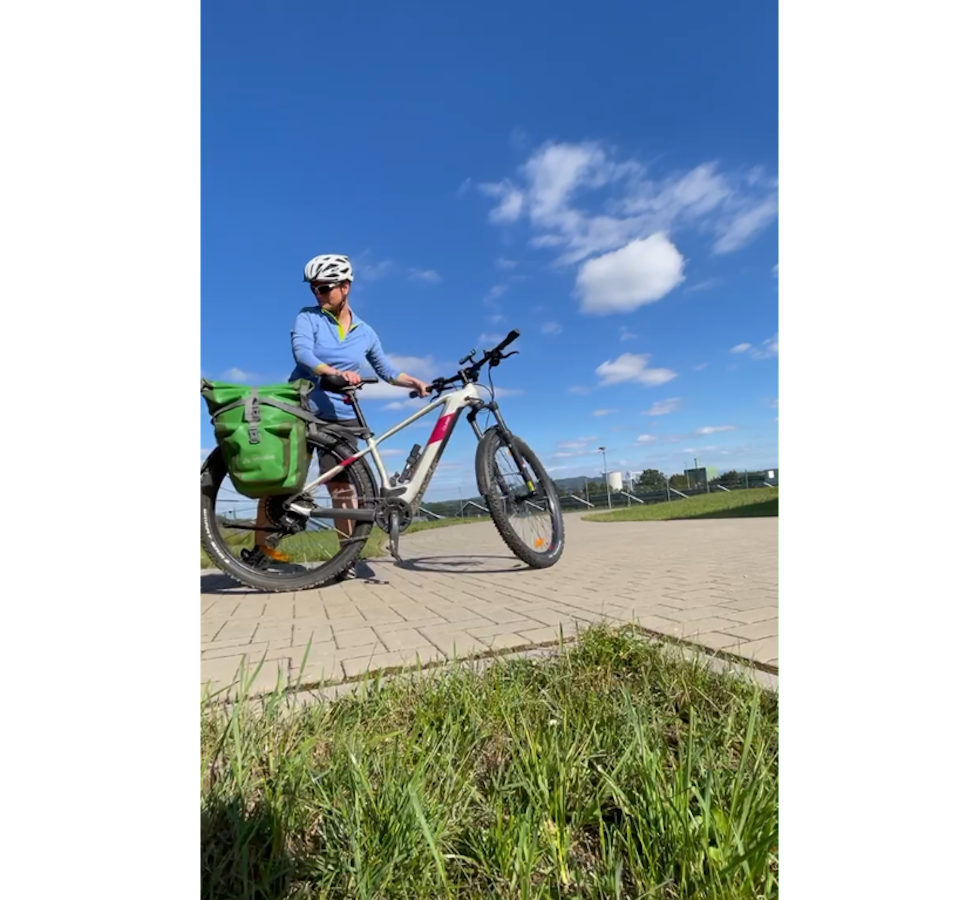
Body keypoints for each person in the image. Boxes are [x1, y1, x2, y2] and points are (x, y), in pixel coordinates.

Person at [243, 254, 430, 574]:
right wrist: (332, 372)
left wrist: (412, 381)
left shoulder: (365, 332)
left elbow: (386, 370)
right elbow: (302, 353)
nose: (318, 294)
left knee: (342, 487)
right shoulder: (308, 317)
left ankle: (346, 557)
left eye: (324, 288)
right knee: (281, 481)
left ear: (345, 287)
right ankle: (263, 551)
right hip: (302, 407)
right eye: (314, 288)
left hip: (342, 415)